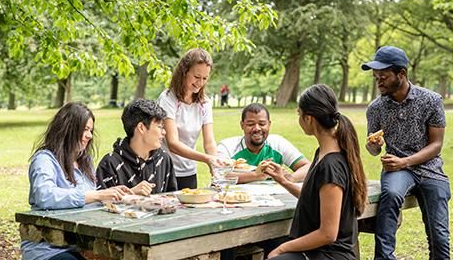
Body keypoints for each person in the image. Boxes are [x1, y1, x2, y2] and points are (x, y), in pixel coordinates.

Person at [362, 46, 450, 260]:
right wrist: (374, 145)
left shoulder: (431, 100)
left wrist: (405, 162)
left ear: (401, 74)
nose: (379, 82)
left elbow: (436, 145)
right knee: (390, 195)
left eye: (383, 77)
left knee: (439, 233)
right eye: (376, 78)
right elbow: (373, 150)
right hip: (397, 170)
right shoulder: (376, 108)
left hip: (430, 168)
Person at [262, 84, 367, 260]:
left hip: (330, 255)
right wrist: (284, 181)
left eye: (298, 114)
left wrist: (282, 248)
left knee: (275, 252)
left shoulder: (331, 166)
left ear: (309, 119)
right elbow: (315, 198)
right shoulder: (323, 153)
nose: (299, 119)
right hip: (316, 251)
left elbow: (328, 234)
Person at [21, 102, 132, 260]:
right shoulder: (44, 159)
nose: (89, 135)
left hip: (80, 245)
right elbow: (44, 195)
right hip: (48, 249)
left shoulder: (85, 162)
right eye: (85, 129)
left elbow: (92, 201)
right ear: (69, 128)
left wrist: (118, 195)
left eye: (91, 130)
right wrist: (95, 195)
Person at [157, 48, 223, 189]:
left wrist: (215, 168)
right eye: (196, 77)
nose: (200, 83)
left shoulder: (204, 103)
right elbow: (172, 143)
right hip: (165, 170)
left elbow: (209, 142)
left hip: (189, 172)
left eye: (205, 78)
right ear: (184, 72)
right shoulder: (168, 99)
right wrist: (207, 159)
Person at [96, 99, 178, 195]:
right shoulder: (110, 164)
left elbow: (172, 199)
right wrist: (131, 194)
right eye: (160, 127)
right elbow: (101, 206)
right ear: (141, 128)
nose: (164, 132)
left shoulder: (164, 159)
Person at [217, 103, 310, 184]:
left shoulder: (278, 143)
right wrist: (256, 175)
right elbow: (219, 175)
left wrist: (290, 178)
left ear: (269, 124)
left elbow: (308, 167)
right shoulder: (227, 147)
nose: (257, 128)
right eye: (250, 124)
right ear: (242, 125)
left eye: (262, 124)